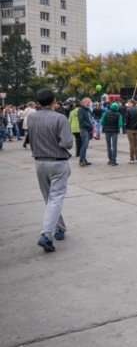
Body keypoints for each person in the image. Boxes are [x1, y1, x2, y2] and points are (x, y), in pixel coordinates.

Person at [29, 89, 73, 253]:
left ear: (38, 102)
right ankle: (46, 234)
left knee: (50, 198)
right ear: (54, 100)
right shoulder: (60, 118)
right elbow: (67, 143)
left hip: (39, 161)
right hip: (57, 161)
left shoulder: (32, 117)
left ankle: (59, 228)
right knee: (56, 198)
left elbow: (30, 138)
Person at [77, 97, 93, 166]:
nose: (88, 104)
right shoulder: (80, 110)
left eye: (89, 102)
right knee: (84, 144)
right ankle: (81, 160)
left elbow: (90, 118)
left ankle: (84, 159)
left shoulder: (89, 110)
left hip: (89, 129)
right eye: (87, 102)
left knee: (85, 145)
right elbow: (81, 120)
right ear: (83, 102)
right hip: (84, 129)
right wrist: (89, 125)